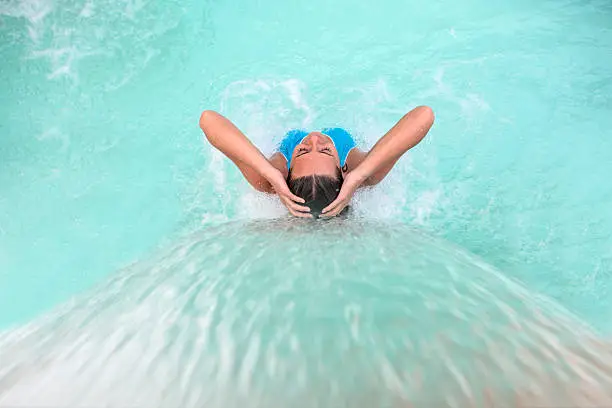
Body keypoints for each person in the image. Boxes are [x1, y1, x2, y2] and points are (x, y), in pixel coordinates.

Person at [199, 106, 434, 218]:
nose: (312, 139)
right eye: (324, 150)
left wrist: (269, 173)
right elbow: (424, 116)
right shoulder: (359, 171)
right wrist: (360, 174)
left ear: (287, 170)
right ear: (343, 167)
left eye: (301, 151)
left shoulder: (271, 177)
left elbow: (208, 120)